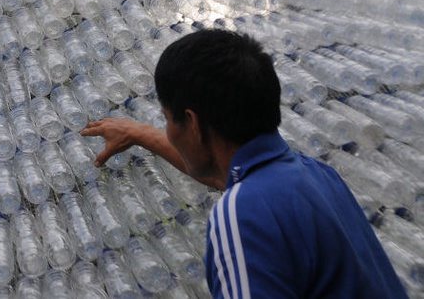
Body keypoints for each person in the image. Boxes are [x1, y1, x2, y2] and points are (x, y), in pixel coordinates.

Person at [82, 29, 407, 298]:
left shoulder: (238, 216)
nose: (168, 129)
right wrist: (139, 132)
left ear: (192, 124)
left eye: (168, 119)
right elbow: (225, 176)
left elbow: (240, 197)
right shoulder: (315, 175)